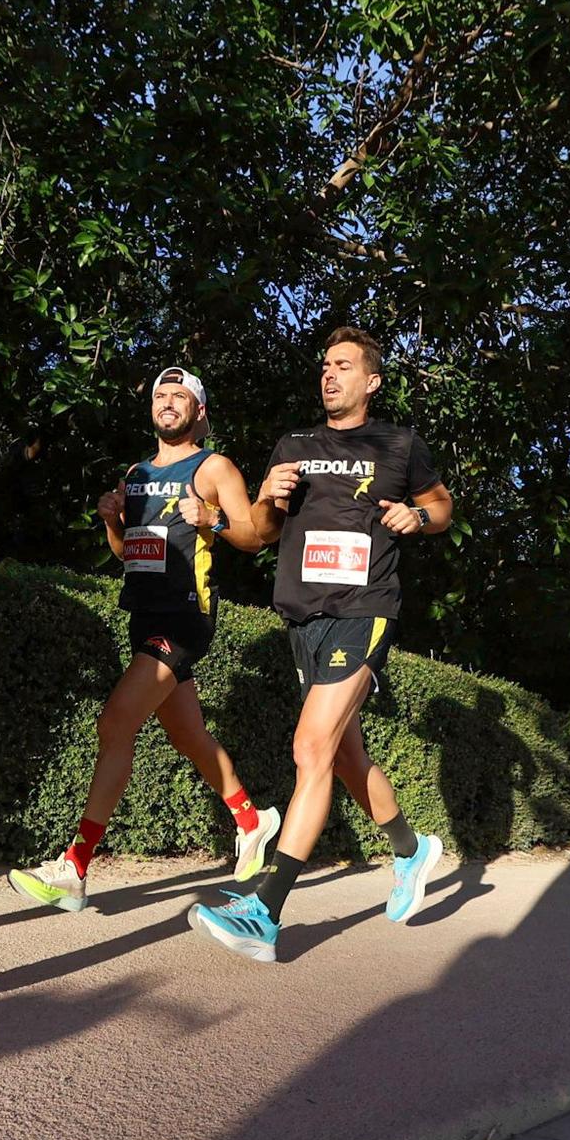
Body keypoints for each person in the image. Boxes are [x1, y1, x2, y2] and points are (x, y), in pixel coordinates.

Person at [187, 327, 452, 962]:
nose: (329, 375)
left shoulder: (399, 443)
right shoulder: (294, 446)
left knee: (310, 746)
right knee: (341, 757)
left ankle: (265, 912)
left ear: (372, 381)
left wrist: (417, 517)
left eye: (343, 366)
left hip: (365, 609)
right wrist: (261, 505)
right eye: (325, 366)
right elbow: (259, 533)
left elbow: (441, 505)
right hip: (303, 617)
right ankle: (412, 849)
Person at [9, 368, 279, 912]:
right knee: (188, 734)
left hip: (184, 618)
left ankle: (75, 867)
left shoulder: (213, 466)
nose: (169, 403)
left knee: (115, 722)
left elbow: (253, 536)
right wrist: (112, 522)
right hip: (143, 615)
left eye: (181, 396)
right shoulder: (133, 473)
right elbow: (127, 553)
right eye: (162, 395)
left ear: (199, 412)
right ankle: (253, 819)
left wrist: (212, 517)